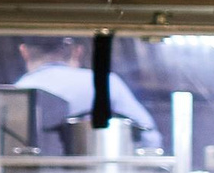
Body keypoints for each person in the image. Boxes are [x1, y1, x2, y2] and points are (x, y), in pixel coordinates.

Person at [13, 35, 159, 142]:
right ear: (77, 51)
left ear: (24, 52)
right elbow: (149, 136)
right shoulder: (105, 83)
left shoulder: (17, 91)